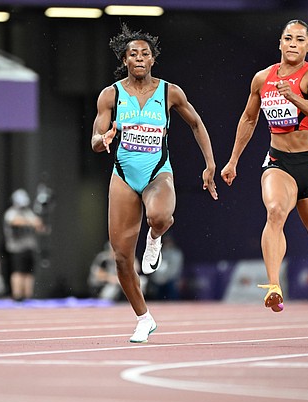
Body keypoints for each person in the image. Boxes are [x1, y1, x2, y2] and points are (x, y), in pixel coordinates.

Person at [91, 24, 218, 343]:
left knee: (159, 217)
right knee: (121, 257)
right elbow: (95, 138)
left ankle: (155, 238)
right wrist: (102, 139)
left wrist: (210, 164)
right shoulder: (111, 94)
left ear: (152, 60)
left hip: (158, 171)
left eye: (144, 53)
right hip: (123, 175)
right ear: (125, 59)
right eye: (133, 53)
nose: (139, 57)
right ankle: (143, 318)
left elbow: (196, 124)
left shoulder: (170, 92)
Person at [220, 19, 308, 313]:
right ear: (279, 43)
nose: (293, 44)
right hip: (279, 162)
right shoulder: (262, 79)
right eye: (288, 38)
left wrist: (294, 98)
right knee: (275, 212)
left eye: (300, 40)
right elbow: (249, 119)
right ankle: (274, 286)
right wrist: (233, 160)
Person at [3, 188, 45, 301]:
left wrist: (38, 222)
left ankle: (28, 297)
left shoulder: (28, 212)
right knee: (18, 272)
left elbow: (40, 226)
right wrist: (32, 222)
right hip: (17, 249)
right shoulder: (11, 212)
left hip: (29, 248)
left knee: (29, 273)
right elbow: (15, 221)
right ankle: (17, 296)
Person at [148, 234, 184, 301]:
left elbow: (175, 269)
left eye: (169, 241)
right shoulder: (158, 252)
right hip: (158, 281)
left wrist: (166, 278)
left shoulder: (176, 253)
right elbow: (153, 266)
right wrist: (157, 278)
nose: (167, 243)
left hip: (170, 280)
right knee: (157, 296)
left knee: (172, 291)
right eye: (166, 241)